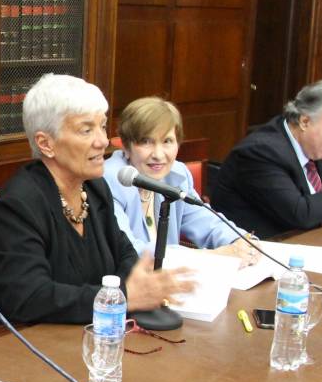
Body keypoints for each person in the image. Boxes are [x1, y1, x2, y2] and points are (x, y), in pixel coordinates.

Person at [0, 75, 192, 338]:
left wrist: (131, 289)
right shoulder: (19, 204)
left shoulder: (94, 188)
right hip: (2, 348)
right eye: (86, 130)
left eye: (102, 126)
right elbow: (30, 297)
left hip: (80, 338)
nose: (103, 141)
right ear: (46, 143)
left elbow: (124, 255)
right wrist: (122, 297)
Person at [104, 96, 259, 266]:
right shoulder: (110, 180)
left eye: (167, 141)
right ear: (126, 146)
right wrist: (213, 257)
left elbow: (207, 221)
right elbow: (131, 252)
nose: (158, 154)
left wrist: (240, 241)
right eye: (146, 142)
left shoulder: (176, 174)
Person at [211, 80, 322, 238]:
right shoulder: (260, 153)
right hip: (261, 250)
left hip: (315, 243)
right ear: (304, 121)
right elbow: (300, 214)